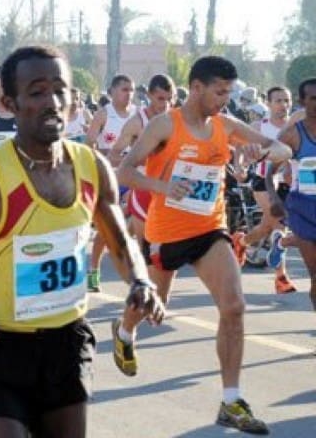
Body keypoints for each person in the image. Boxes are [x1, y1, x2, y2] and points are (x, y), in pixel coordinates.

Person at [0, 45, 164, 437]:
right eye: (38, 92)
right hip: (0, 344)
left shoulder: (92, 166)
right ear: (11, 103)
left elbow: (120, 242)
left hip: (67, 341)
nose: (53, 102)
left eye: (60, 90)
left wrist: (141, 280)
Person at [115, 56, 289, 435]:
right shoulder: (165, 125)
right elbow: (124, 171)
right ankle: (124, 332)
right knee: (153, 308)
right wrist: (163, 187)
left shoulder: (226, 125)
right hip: (167, 232)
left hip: (210, 229)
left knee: (234, 306)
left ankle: (231, 401)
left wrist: (262, 152)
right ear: (196, 88)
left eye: (229, 92)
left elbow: (280, 149)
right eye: (219, 92)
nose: (225, 99)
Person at [99, 74, 175, 288]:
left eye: (170, 99)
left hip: (168, 190)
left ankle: (123, 240)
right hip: (143, 188)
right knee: (146, 248)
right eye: (160, 99)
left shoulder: (175, 119)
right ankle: (142, 289)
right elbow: (114, 154)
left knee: (167, 248)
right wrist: (137, 160)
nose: (165, 104)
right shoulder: (136, 123)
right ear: (149, 95)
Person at [267, 77, 316, 353]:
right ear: (302, 102)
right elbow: (270, 174)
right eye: (313, 98)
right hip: (303, 209)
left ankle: (282, 242)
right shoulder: (292, 135)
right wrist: (274, 198)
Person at [239, 86, 298, 293]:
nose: (284, 105)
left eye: (287, 101)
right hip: (263, 182)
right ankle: (281, 277)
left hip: (289, 183)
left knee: (266, 228)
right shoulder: (259, 126)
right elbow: (240, 146)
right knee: (279, 223)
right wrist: (241, 167)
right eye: (279, 101)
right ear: (269, 103)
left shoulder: (296, 127)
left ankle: (241, 242)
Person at [86, 75, 138, 291]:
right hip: (109, 179)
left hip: (132, 177)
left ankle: (138, 274)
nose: (129, 94)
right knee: (107, 228)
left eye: (132, 90)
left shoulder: (137, 114)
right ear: (112, 92)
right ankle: (93, 268)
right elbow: (89, 144)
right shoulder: (104, 114)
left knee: (136, 222)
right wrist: (106, 158)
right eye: (124, 89)